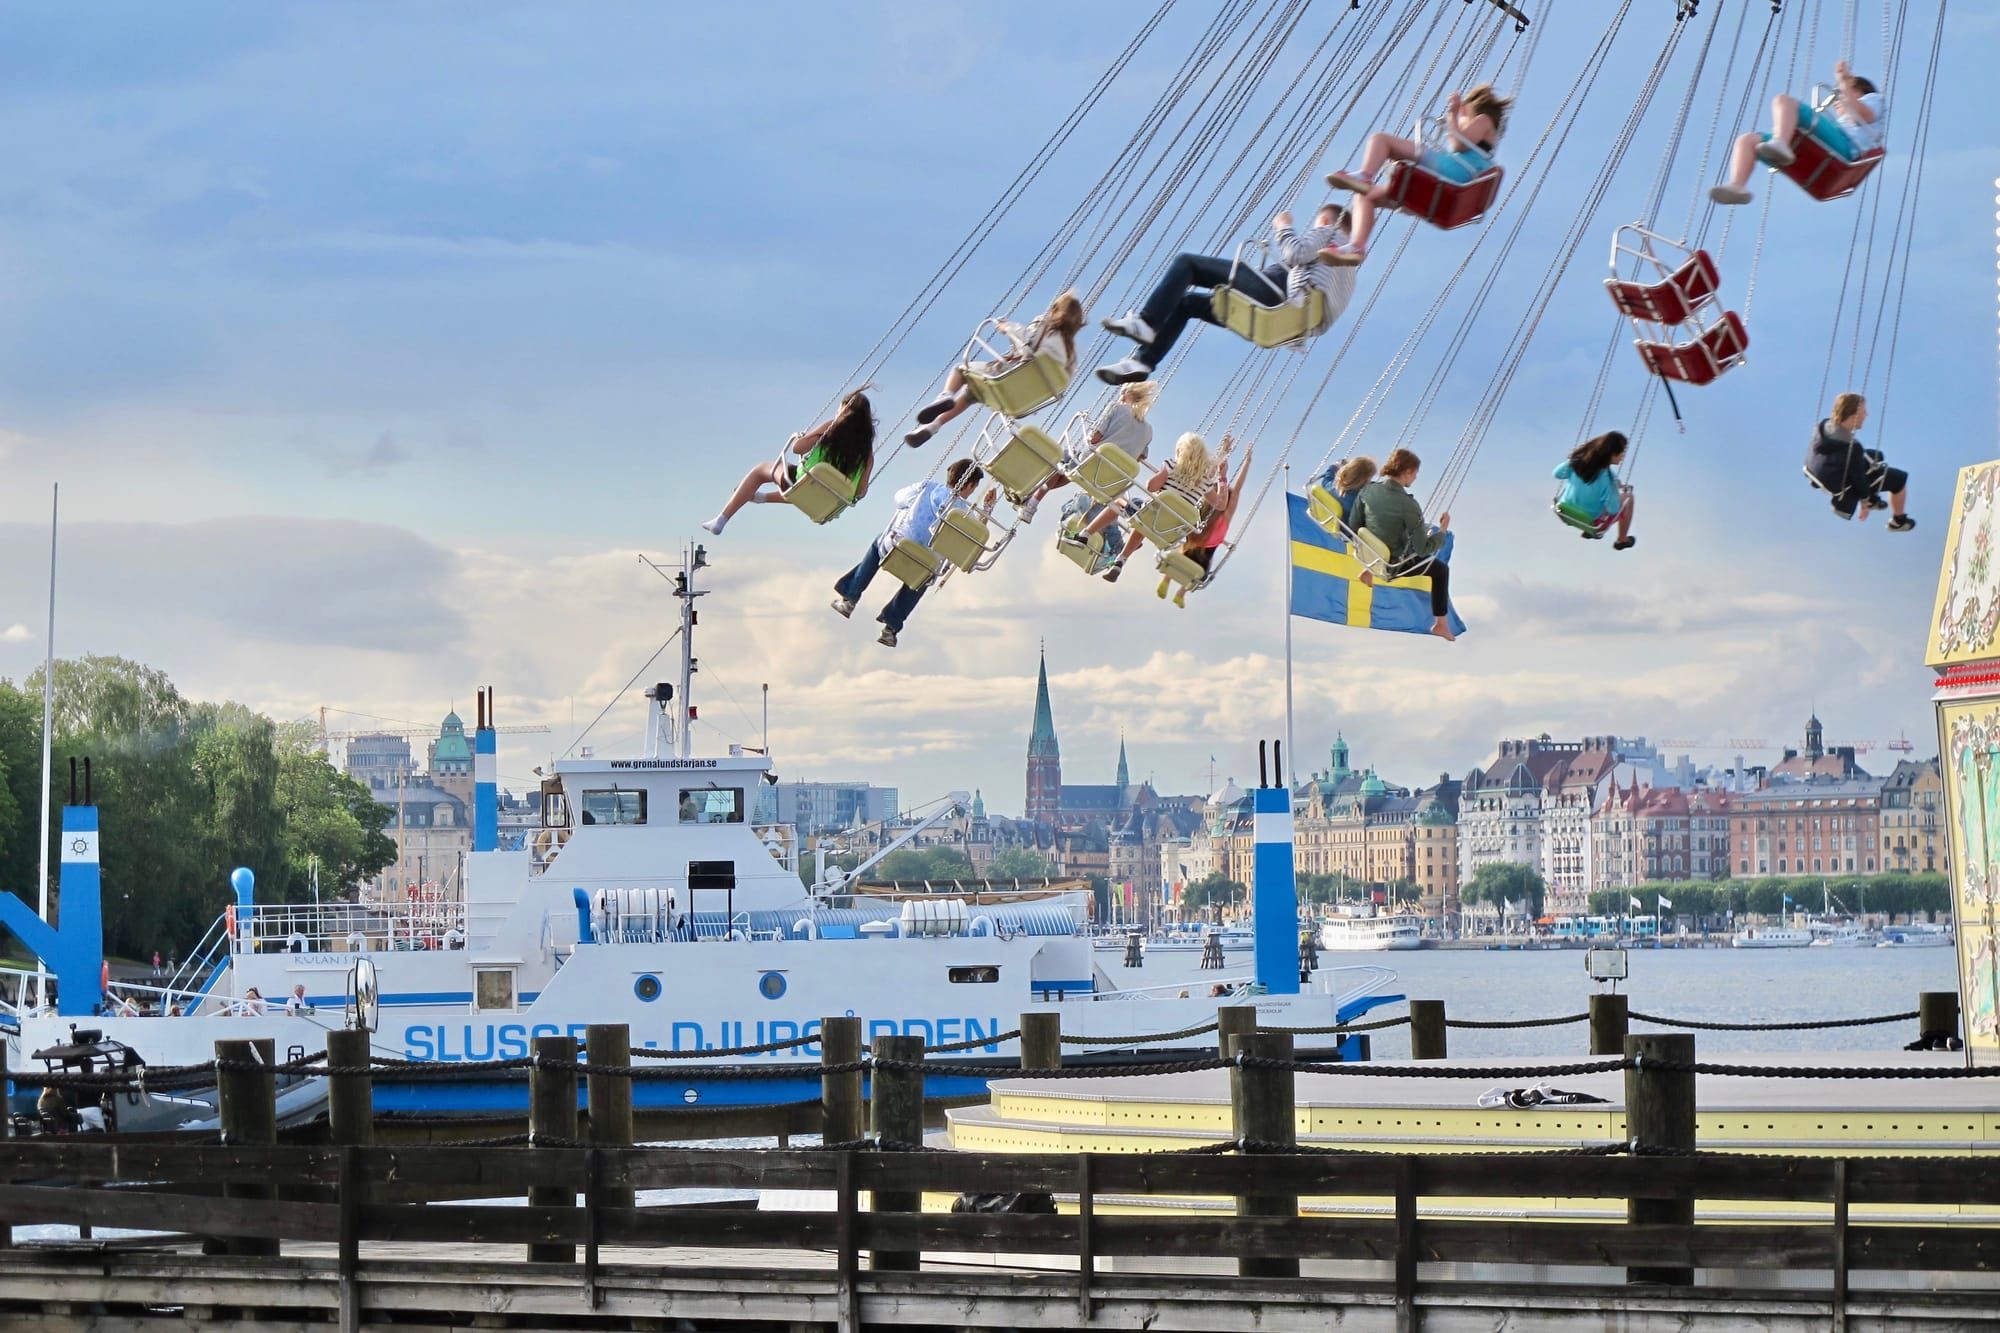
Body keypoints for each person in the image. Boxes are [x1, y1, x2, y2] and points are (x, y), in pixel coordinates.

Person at [1098, 205, 1356, 384]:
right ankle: (1143, 362)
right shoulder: (1349, 274)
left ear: (1325, 221)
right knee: (1188, 304)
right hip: (1286, 326)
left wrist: (1283, 227)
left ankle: (1147, 321)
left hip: (1274, 299)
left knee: (1187, 263)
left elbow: (1296, 253)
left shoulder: (1330, 232)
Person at [1320, 84, 1512, 267]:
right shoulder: (1481, 138)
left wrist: (1453, 113)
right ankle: (1357, 246)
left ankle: (1365, 175)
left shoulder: (1484, 119)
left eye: (1463, 114)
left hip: (1452, 173)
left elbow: (1458, 143)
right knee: (1365, 196)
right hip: (1441, 186)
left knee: (1381, 140)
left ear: (1470, 109)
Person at [832, 458, 998, 647]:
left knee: (878, 546)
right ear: (969, 485)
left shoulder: (926, 487)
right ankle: (890, 629)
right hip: (924, 567)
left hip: (897, 547)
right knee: (922, 579)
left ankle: (850, 599)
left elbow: (898, 499)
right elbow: (972, 539)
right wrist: (987, 509)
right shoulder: (964, 514)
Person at [905, 291, 1085, 446]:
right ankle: (932, 427)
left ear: (1054, 310)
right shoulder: (1070, 357)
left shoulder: (1044, 328)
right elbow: (1059, 386)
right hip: (1023, 401)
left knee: (961, 370)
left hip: (1008, 380)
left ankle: (945, 396)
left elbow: (1025, 341)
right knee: (971, 395)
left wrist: (1005, 327)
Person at [703, 389, 875, 535]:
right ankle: (760, 497)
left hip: (800, 481)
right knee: (811, 491)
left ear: (843, 409)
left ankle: (721, 520)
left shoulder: (831, 427)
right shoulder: (867, 453)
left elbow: (798, 448)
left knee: (761, 470)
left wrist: (808, 436)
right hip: (828, 504)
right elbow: (860, 492)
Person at [1711, 61, 1883, 206]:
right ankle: (1737, 185)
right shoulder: (1838, 122)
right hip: (1832, 145)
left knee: (1783, 101)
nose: (1838, 100)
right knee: (1747, 140)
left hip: (1847, 147)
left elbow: (1862, 114)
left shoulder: (1873, 100)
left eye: (1842, 93)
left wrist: (1844, 81)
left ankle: (1780, 143)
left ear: (1859, 91)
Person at [1351, 448, 1457, 641]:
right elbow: (1422, 549)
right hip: (1394, 565)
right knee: (1440, 570)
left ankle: (1368, 570)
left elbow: (1355, 525)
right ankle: (1441, 624)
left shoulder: (1368, 490)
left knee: (1391, 532)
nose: (1415, 478)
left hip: (1370, 555)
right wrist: (1442, 531)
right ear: (1407, 471)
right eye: (1415, 473)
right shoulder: (1408, 505)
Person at [1085, 432, 1221, 583]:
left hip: (1151, 516)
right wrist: (1222, 479)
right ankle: (1120, 561)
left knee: (1120, 502)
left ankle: (1085, 534)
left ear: (1181, 451)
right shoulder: (1205, 481)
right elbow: (1218, 504)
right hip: (1170, 529)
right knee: (1146, 522)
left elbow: (1151, 486)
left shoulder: (1171, 465)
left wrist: (1161, 475)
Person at [1018, 380, 1159, 522]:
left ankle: (1031, 504)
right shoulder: (1149, 431)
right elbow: (1137, 459)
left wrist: (1089, 435)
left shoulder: (1115, 408)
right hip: (1110, 481)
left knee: (1062, 458)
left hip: (1091, 464)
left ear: (1126, 394)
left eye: (1121, 394)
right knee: (1072, 470)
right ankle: (1030, 497)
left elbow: (1094, 440)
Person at [1158, 438, 1256, 606]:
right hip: (1204, 556)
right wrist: (1247, 462)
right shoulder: (1226, 515)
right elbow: (1236, 489)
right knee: (1198, 570)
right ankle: (1181, 593)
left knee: (1184, 551)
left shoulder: (1204, 508)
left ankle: (1167, 580)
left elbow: (1207, 476)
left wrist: (1224, 453)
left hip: (1191, 544)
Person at [1806, 392, 1914, 529]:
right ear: (1853, 416)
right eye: (1863, 412)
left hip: (1825, 468)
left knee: (1877, 455)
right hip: (1842, 482)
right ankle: (1898, 521)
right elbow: (1859, 479)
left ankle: (1874, 499)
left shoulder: (1824, 425)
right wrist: (1864, 503)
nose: (1866, 415)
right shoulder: (1852, 447)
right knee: (1899, 479)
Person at [1554, 431, 1637, 549]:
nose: (1623, 456)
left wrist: (1571, 461)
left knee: (1590, 496)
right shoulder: (1606, 481)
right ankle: (1622, 539)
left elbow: (1557, 474)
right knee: (1628, 497)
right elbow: (1613, 510)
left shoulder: (1578, 462)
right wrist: (1614, 488)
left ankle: (1588, 529)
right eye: (1622, 452)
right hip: (1592, 523)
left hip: (1566, 511)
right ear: (1612, 454)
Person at [1311, 455, 1378, 529]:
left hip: (1327, 522)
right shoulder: (1357, 502)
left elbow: (1327, 478)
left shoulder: (1331, 486)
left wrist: (1334, 466)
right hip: (1345, 533)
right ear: (1365, 480)